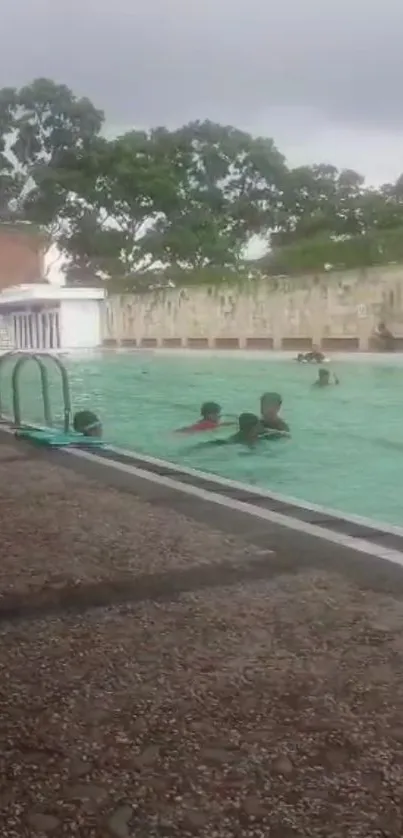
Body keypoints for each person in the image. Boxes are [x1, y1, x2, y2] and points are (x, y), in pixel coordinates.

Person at [197, 413, 263, 449]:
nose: (261, 427)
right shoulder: (248, 441)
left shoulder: (240, 435)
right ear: (253, 428)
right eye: (258, 425)